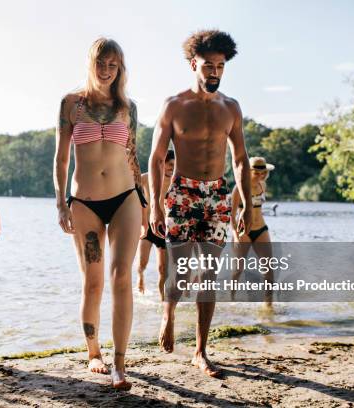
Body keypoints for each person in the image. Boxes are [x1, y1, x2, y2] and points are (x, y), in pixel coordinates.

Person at [148, 30, 252, 378]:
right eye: (208, 65)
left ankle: (200, 351)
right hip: (182, 192)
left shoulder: (231, 107)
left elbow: (239, 159)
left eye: (220, 66)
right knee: (178, 270)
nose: (214, 72)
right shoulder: (174, 105)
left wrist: (246, 204)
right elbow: (155, 157)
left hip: (217, 195)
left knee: (209, 273)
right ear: (194, 64)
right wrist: (155, 205)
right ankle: (168, 313)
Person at [53, 38, 146, 390]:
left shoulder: (128, 107)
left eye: (113, 64)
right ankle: (94, 353)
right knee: (93, 282)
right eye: (101, 63)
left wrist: (145, 201)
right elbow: (61, 159)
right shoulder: (71, 104)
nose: (107, 70)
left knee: (122, 277)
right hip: (85, 203)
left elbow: (133, 155)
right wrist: (61, 203)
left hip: (125, 198)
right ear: (91, 63)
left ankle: (120, 363)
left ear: (120, 67)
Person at [230, 156, 275, 307]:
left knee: (268, 267)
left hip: (261, 229)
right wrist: (236, 236)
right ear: (248, 172)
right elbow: (231, 216)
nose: (261, 176)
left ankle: (268, 305)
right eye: (257, 173)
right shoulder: (238, 188)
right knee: (238, 269)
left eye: (263, 173)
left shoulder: (263, 185)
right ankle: (232, 299)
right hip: (244, 231)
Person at [136, 150, 175, 299]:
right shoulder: (146, 178)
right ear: (162, 163)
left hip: (164, 230)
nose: (172, 168)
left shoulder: (175, 182)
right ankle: (140, 276)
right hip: (146, 228)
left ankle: (163, 300)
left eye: (174, 165)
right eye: (170, 164)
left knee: (163, 269)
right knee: (142, 264)